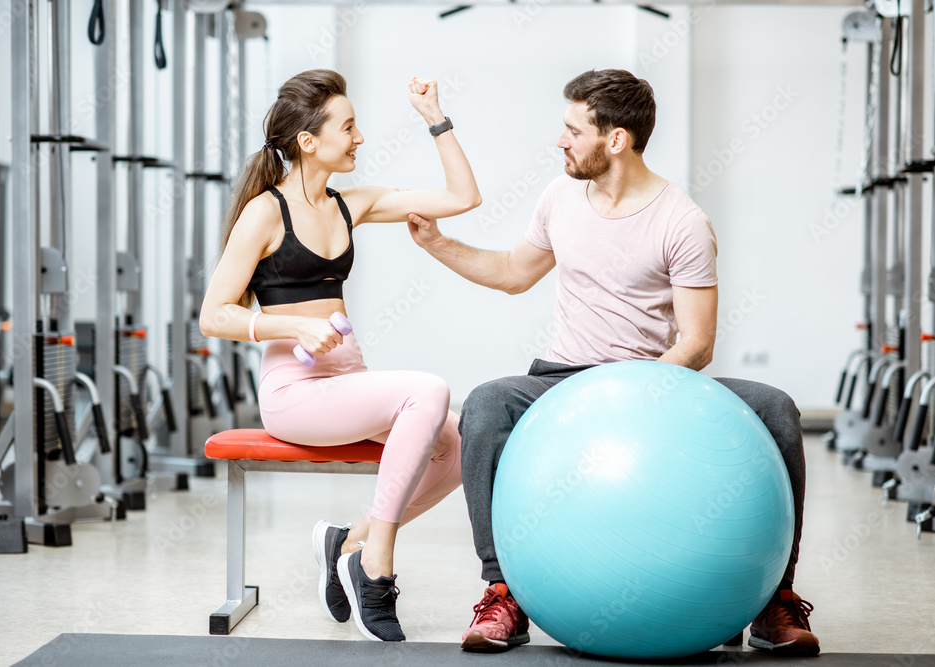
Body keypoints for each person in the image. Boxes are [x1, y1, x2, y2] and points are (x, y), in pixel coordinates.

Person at [406, 69, 819, 657]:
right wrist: (437, 243)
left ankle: (776, 598)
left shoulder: (682, 222)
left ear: (617, 139)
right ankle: (504, 592)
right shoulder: (560, 197)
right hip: (564, 377)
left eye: (574, 130)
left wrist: (634, 390)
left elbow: (697, 344)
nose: (560, 141)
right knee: (488, 402)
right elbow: (514, 273)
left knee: (776, 409)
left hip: (655, 381)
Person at [199, 69, 481, 642]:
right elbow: (213, 314)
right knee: (427, 390)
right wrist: (291, 326)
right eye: (348, 127)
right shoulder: (265, 213)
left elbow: (463, 197)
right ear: (308, 141)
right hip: (293, 393)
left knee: (460, 442)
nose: (359, 138)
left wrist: (435, 118)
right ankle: (375, 567)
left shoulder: (352, 203)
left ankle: (348, 541)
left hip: (347, 381)